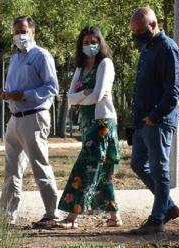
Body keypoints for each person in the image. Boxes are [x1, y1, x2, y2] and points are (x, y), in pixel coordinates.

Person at [55, 26, 122, 230]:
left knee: (86, 168)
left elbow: (98, 95)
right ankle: (115, 217)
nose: (90, 45)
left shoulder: (105, 64)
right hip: (87, 124)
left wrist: (81, 95)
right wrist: (86, 93)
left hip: (102, 124)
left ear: (100, 42)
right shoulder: (80, 68)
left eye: (94, 41)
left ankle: (72, 218)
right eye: (85, 42)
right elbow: (70, 98)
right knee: (102, 172)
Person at [0, 16, 60, 228]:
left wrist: (23, 95)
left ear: (32, 32)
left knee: (39, 166)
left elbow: (52, 87)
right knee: (11, 170)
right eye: (16, 32)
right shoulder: (14, 59)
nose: (19, 36)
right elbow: (13, 88)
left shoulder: (41, 56)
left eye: (23, 31)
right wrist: (6, 95)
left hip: (34, 117)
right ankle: (7, 216)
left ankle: (52, 213)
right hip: (14, 119)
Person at [129, 7, 179, 234]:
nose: (137, 35)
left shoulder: (167, 48)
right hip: (143, 121)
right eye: (134, 32)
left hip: (157, 121)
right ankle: (168, 206)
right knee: (138, 164)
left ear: (153, 24)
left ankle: (157, 219)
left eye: (140, 30)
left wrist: (155, 116)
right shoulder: (148, 47)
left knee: (160, 170)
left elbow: (173, 90)